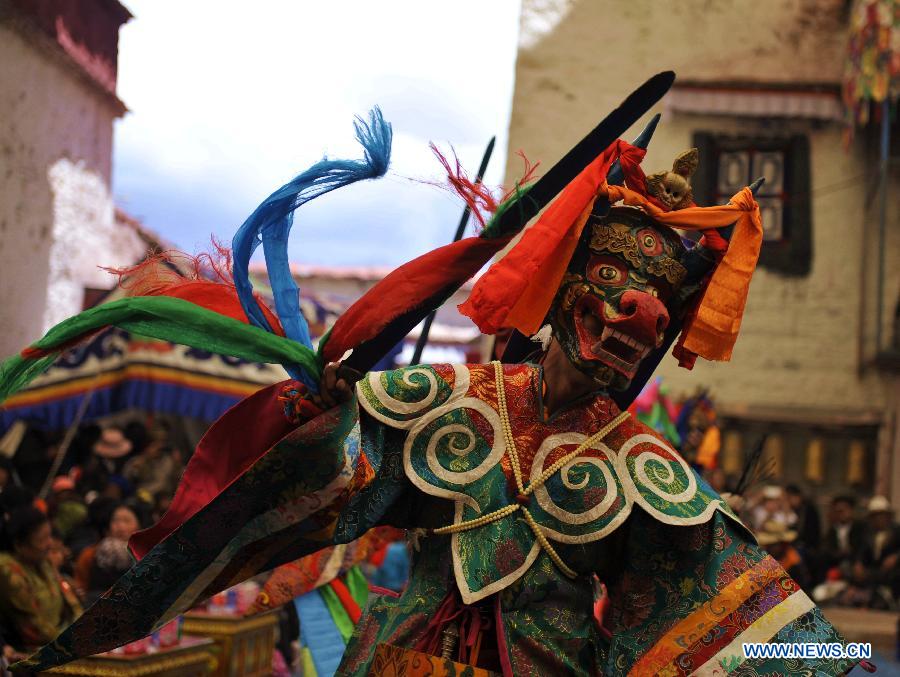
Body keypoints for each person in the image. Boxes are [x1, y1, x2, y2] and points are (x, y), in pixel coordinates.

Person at [2, 87, 861, 674]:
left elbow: (759, 633)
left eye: (648, 334)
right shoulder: (451, 399)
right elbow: (329, 484)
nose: (625, 345)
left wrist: (846, 661)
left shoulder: (644, 473)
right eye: (607, 318)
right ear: (568, 304)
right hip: (398, 652)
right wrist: (322, 415)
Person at [0, 507, 81, 651]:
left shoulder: (43, 560)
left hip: (65, 638)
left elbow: (68, 597)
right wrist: (73, 644)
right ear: (19, 545)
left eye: (49, 536)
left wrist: (84, 630)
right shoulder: (8, 570)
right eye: (42, 540)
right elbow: (32, 626)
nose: (50, 544)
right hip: (33, 650)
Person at [823, 495, 866, 576]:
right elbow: (827, 549)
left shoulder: (860, 527)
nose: (841, 512)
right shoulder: (832, 530)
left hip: (855, 563)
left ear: (851, 510)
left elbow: (863, 547)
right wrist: (839, 553)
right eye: (838, 510)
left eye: (844, 509)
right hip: (836, 564)